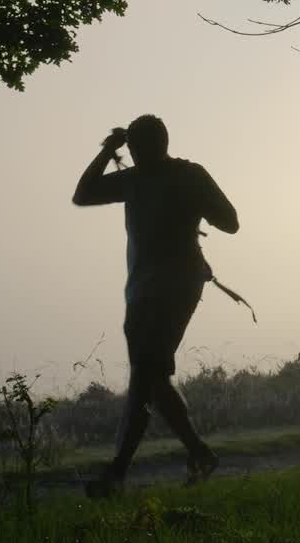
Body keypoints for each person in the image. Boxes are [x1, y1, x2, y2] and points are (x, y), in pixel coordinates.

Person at [73, 114, 239, 497]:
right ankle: (199, 453)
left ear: (155, 144)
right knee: (151, 379)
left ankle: (117, 473)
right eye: (131, 148)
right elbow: (83, 195)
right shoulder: (139, 179)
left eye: (136, 146)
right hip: (143, 293)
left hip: (174, 289)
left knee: (144, 377)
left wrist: (198, 207)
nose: (135, 153)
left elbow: (230, 222)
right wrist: (107, 152)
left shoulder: (184, 176)